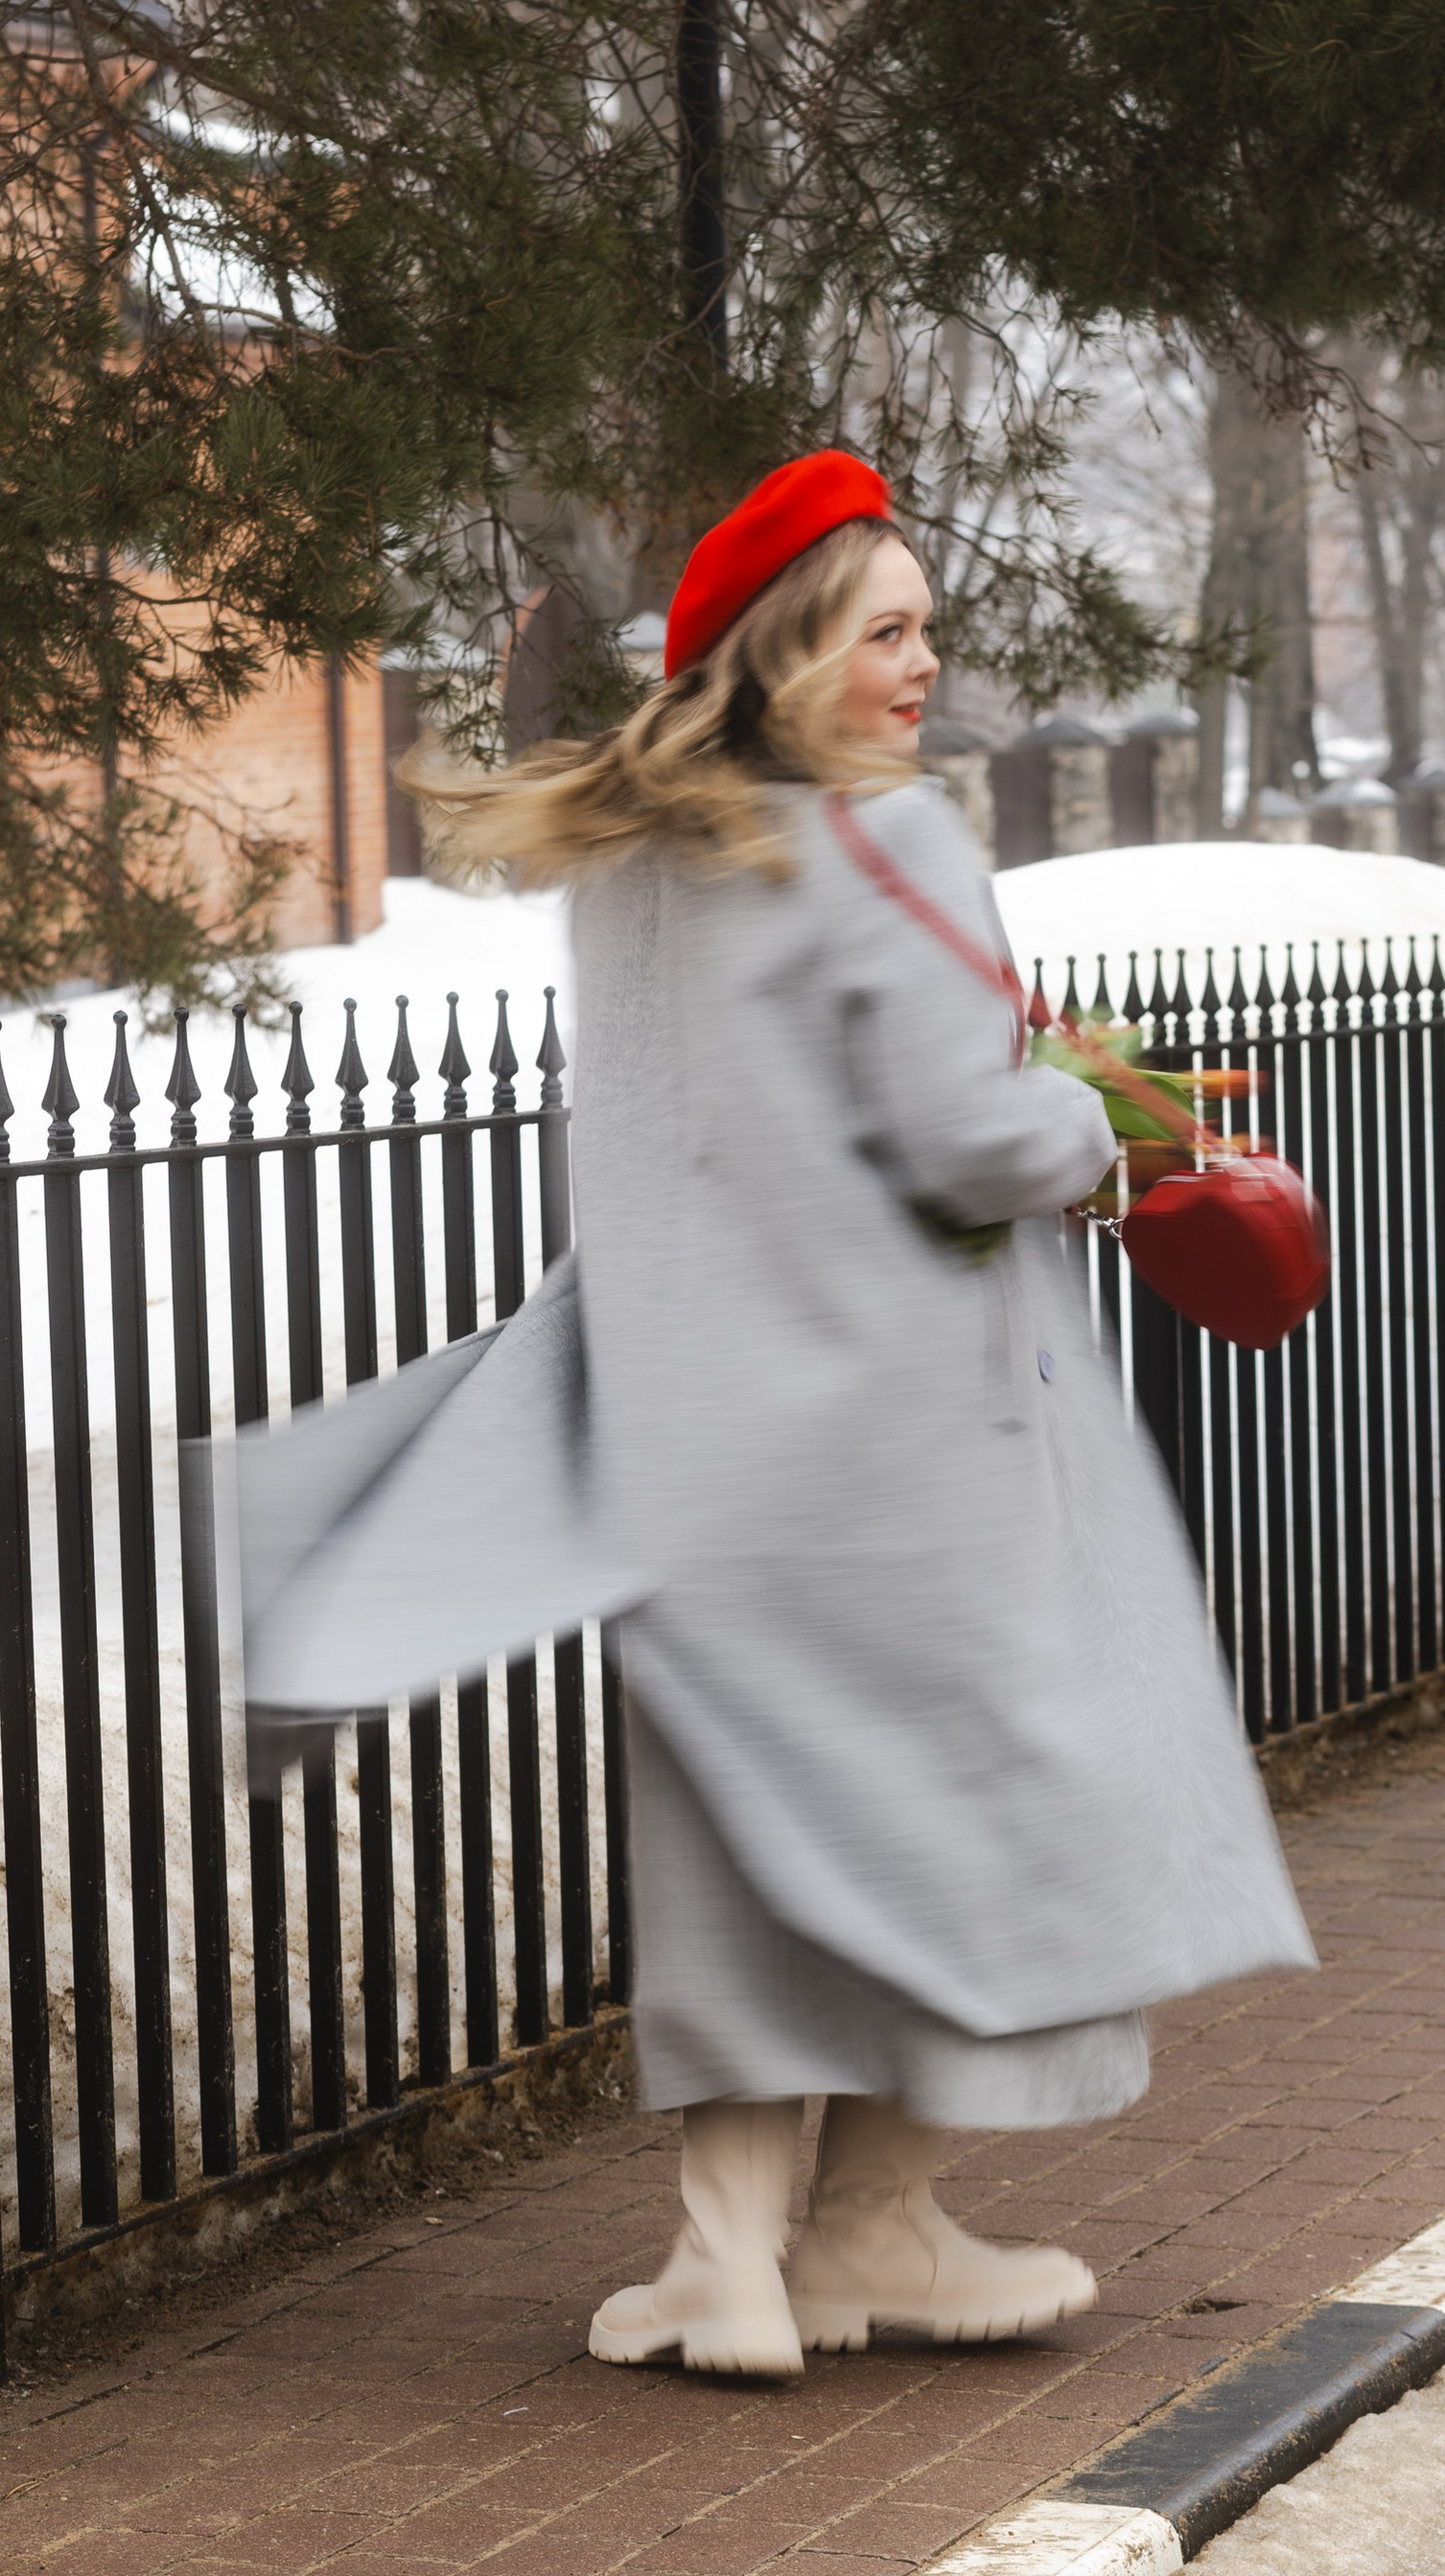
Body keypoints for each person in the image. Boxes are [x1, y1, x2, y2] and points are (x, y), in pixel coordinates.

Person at [244, 451, 1314, 2379]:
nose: (924, 664)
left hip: (688, 1448)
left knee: (747, 1838)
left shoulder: (633, 863)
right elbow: (962, 1136)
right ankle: (875, 2226)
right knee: (983, 1820)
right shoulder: (894, 843)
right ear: (794, 644)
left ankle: (728, 2260)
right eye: (888, 630)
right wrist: (1094, 1124)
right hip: (909, 1448)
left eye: (924, 629)